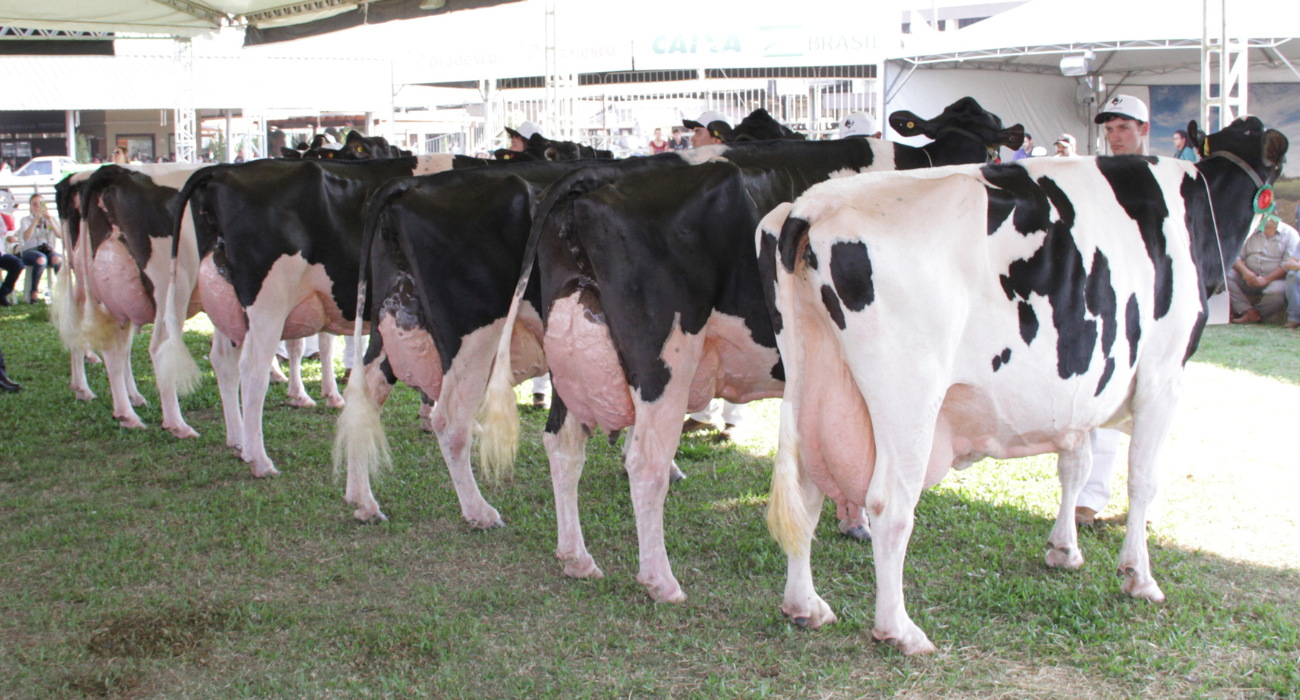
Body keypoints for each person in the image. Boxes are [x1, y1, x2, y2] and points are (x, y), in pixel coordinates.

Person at [1074, 94, 1155, 526]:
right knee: (1101, 394)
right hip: (1106, 295)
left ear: (1143, 129)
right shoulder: (1097, 173)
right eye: (1110, 129)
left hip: (1152, 301)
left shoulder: (1160, 177)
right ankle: (1089, 496)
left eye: (1124, 127)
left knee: (1152, 399)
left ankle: (1144, 496)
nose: (1116, 136)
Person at [1230, 214, 1300, 324]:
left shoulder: (1290, 234)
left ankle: (1257, 314)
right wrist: (1246, 272)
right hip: (1249, 277)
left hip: (1276, 279)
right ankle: (1247, 310)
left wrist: (1266, 279)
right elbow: (1234, 256)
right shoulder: (1250, 230)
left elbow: (1287, 264)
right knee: (1225, 276)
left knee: (1277, 292)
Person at [15, 194, 62, 303]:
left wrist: (49, 220)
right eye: (34, 204)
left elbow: (60, 235)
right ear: (30, 207)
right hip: (30, 251)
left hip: (47, 250)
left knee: (57, 259)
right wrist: (35, 220)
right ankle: (34, 291)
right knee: (41, 259)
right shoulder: (25, 220)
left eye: (40, 204)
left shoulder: (51, 219)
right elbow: (26, 237)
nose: (37, 206)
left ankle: (61, 290)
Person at [1, 211, 19, 305]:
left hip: (2, 254)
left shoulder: (6, 218)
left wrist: (12, 240)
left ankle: (3, 294)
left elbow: (12, 237)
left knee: (17, 264)